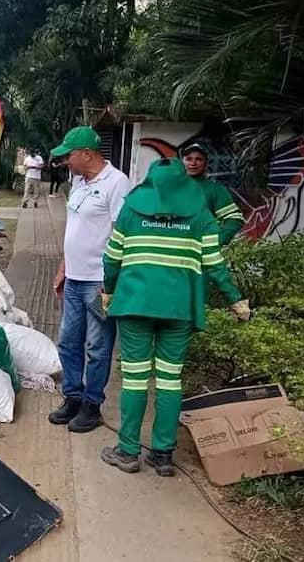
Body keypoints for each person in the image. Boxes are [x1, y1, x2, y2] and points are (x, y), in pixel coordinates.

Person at [99, 158, 251, 476]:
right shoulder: (201, 215)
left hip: (135, 305)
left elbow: (112, 258)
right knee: (170, 379)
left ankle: (127, 452)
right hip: (179, 309)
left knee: (135, 378)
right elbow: (214, 264)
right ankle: (163, 454)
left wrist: (109, 292)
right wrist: (235, 299)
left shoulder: (131, 210)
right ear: (184, 182)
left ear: (150, 182)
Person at [48, 126, 131, 432]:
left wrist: (111, 282)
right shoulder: (78, 182)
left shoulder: (117, 183)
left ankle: (92, 405)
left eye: (68, 155)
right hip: (74, 278)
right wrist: (63, 267)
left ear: (86, 154)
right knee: (68, 342)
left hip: (99, 282)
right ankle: (73, 396)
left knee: (97, 347)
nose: (65, 161)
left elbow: (122, 235)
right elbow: (75, 230)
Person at [182, 142, 245, 245]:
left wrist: (217, 241)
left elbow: (235, 218)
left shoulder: (215, 190)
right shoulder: (169, 187)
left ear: (206, 164)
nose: (193, 163)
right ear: (182, 162)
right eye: (188, 159)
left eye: (198, 159)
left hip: (200, 249)